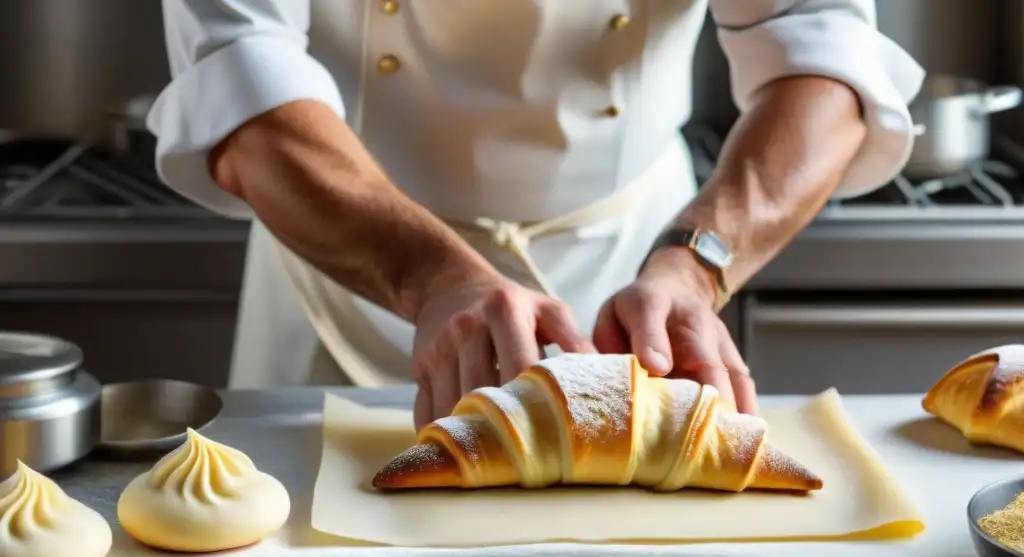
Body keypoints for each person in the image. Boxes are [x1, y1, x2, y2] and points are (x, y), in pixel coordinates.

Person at [149, 0, 923, 429]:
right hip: (341, 281)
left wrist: (697, 263)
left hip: (633, 287)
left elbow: (825, 53)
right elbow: (239, 80)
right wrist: (431, 276)